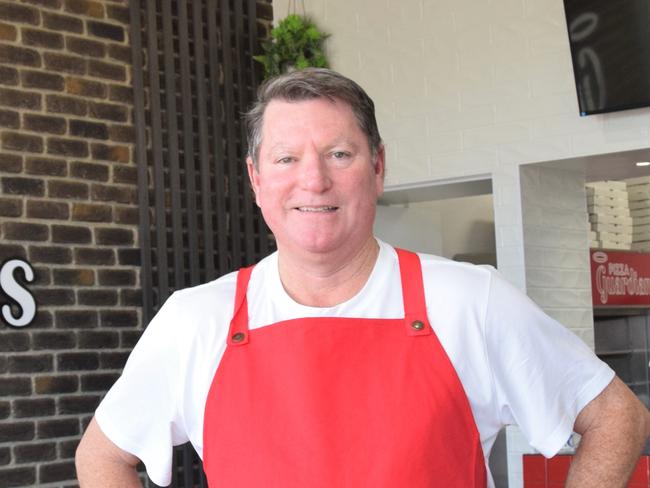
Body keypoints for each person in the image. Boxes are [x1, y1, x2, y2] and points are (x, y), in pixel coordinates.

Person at [76, 68, 649, 487]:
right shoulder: (196, 319)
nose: (314, 180)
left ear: (378, 168)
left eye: (339, 154)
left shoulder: (469, 301)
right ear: (256, 180)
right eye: (286, 159)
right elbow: (102, 456)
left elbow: (616, 415)